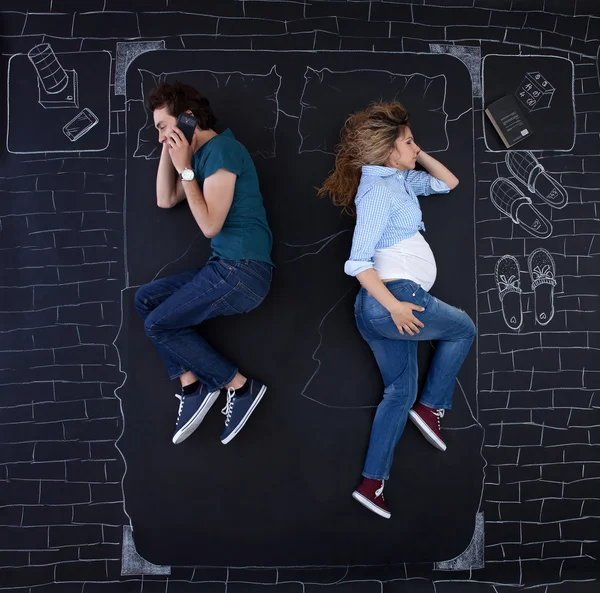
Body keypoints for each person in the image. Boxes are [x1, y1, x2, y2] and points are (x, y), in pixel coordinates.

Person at [318, 102, 476, 519]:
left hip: (380, 310)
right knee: (463, 329)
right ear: (389, 150)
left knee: (398, 392)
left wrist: (415, 152)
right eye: (407, 141)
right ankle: (432, 406)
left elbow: (449, 183)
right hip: (392, 299)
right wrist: (395, 307)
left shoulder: (400, 181)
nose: (414, 146)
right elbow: (357, 263)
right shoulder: (377, 192)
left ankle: (372, 485)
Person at [134, 82, 274, 446]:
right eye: (158, 130)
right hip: (225, 269)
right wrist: (173, 149)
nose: (161, 136)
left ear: (188, 118)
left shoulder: (223, 151)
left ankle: (239, 388)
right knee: (145, 300)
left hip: (243, 272)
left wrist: (185, 166)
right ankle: (192, 385)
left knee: (158, 325)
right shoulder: (199, 157)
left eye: (163, 127)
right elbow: (165, 199)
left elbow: (211, 224)